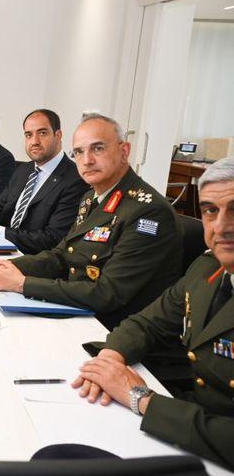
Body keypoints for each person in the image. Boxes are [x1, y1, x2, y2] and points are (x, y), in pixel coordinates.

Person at [72, 157, 234, 470]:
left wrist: (141, 398)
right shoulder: (207, 268)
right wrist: (109, 361)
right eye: (211, 210)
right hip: (184, 424)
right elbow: (147, 322)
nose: (221, 226)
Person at [0, 114, 182, 329]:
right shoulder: (90, 198)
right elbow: (62, 255)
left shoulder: (148, 211)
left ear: (124, 151)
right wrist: (7, 266)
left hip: (111, 329)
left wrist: (22, 284)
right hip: (79, 310)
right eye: (78, 152)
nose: (87, 161)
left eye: (98, 148)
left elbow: (108, 293)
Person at [0, 109, 88, 254]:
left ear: (58, 135)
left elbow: (53, 238)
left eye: (42, 133)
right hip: (1, 249)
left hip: (33, 258)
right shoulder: (23, 170)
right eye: (28, 135)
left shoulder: (75, 179)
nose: (34, 141)